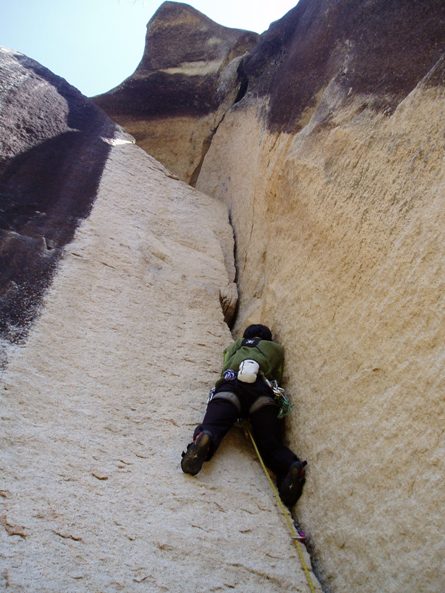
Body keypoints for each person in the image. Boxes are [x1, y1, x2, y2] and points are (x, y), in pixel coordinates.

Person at [181, 324, 307, 507]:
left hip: (230, 388)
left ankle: (205, 438)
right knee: (270, 444)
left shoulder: (236, 345)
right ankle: (289, 466)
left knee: (214, 425)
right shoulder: (276, 350)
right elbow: (277, 375)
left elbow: (225, 364)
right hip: (263, 394)